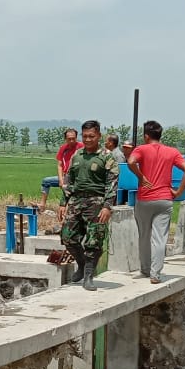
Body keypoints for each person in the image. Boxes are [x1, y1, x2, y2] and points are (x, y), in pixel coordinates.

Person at [127, 120, 185, 284]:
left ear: (146, 136)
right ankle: (155, 274)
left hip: (144, 199)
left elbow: (131, 162)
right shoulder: (172, 152)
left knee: (144, 235)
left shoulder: (141, 149)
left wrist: (141, 177)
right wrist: (179, 191)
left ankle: (145, 269)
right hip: (164, 199)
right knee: (160, 238)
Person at [59, 120, 118, 291]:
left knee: (94, 241)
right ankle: (82, 263)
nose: (88, 139)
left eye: (91, 136)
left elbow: (112, 183)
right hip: (76, 201)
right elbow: (69, 180)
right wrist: (63, 202)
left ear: (99, 136)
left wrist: (107, 206)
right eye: (85, 136)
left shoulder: (107, 156)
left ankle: (88, 275)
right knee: (68, 237)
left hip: (96, 202)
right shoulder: (77, 155)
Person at [38, 128, 83, 212]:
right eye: (69, 139)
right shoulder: (63, 148)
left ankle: (69, 209)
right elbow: (60, 165)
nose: (72, 141)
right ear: (65, 139)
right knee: (46, 181)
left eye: (73, 138)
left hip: (77, 177)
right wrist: (61, 180)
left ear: (76, 138)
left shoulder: (81, 147)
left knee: (69, 189)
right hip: (66, 176)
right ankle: (42, 205)